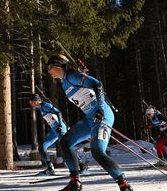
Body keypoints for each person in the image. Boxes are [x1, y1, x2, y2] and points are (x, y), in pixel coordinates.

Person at [47, 54, 132, 191]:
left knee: (97, 151)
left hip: (101, 114)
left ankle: (124, 185)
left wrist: (99, 109)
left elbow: (97, 84)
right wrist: (83, 73)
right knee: (66, 142)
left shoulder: (71, 76)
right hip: (90, 118)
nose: (49, 71)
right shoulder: (65, 81)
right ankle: (75, 183)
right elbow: (85, 86)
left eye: (50, 67)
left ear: (58, 66)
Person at [28, 93, 67, 176]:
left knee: (67, 146)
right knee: (42, 147)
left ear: (35, 101)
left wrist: (60, 125)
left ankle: (82, 166)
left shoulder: (45, 105)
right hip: (54, 130)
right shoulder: (40, 108)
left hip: (59, 128)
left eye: (31, 101)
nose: (30, 103)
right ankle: (50, 168)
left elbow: (58, 113)